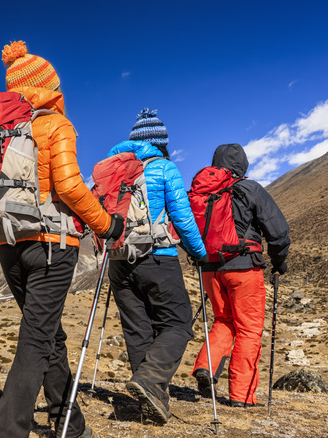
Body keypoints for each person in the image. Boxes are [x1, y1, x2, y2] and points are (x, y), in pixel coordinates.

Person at [0, 41, 123, 438]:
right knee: (37, 338)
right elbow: (68, 186)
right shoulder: (55, 125)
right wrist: (106, 225)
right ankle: (7, 431)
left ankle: (70, 423)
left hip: (8, 245)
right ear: (48, 86)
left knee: (48, 333)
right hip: (51, 245)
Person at [105, 109, 207, 424]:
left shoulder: (113, 169)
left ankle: (154, 402)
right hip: (157, 256)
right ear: (160, 143)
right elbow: (183, 219)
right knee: (178, 323)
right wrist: (199, 253)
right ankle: (150, 381)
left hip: (119, 261)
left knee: (137, 330)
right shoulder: (163, 167)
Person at [191, 143, 290, 407]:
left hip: (210, 269)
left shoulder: (203, 191)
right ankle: (242, 396)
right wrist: (279, 262)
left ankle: (206, 365)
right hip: (244, 268)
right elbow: (278, 230)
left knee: (224, 320)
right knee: (249, 329)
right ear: (242, 165)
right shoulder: (249, 188)